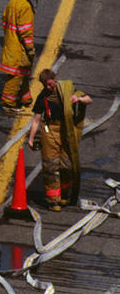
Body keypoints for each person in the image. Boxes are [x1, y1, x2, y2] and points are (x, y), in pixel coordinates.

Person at [28, 68, 91, 211]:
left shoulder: (67, 90)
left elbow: (88, 99)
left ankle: (64, 195)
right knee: (51, 166)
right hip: (50, 130)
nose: (49, 88)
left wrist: (78, 99)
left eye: (50, 84)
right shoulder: (42, 97)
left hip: (67, 130)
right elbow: (36, 120)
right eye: (46, 85)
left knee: (67, 165)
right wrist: (31, 139)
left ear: (54, 80)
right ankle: (53, 200)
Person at [0, 0, 40, 112]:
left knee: (23, 74)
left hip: (10, 43)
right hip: (19, 48)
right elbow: (25, 30)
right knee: (16, 75)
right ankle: (8, 103)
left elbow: (5, 22)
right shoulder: (26, 7)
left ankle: (25, 99)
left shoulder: (12, 3)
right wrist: (29, 48)